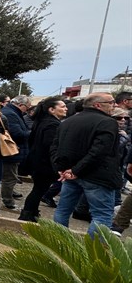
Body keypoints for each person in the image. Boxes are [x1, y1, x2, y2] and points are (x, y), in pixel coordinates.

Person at [51, 93, 121, 237]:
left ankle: (58, 242)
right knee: (101, 215)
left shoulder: (69, 121)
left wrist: (62, 168)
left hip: (71, 174)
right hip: (96, 176)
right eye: (112, 102)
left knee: (63, 210)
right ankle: (93, 253)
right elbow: (100, 151)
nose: (115, 105)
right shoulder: (107, 122)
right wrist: (72, 170)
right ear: (98, 105)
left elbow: (55, 147)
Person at [17, 97, 68, 221]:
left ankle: (32, 212)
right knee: (39, 190)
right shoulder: (52, 124)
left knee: (38, 189)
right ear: (51, 109)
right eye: (62, 106)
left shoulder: (42, 121)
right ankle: (28, 214)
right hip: (44, 163)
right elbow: (50, 145)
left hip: (38, 161)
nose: (66, 108)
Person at [0, 95, 32, 210]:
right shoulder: (11, 114)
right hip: (10, 151)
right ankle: (8, 201)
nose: (27, 110)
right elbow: (17, 134)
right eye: (27, 108)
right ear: (20, 105)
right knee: (9, 177)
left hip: (10, 150)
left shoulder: (11, 112)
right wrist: (32, 133)